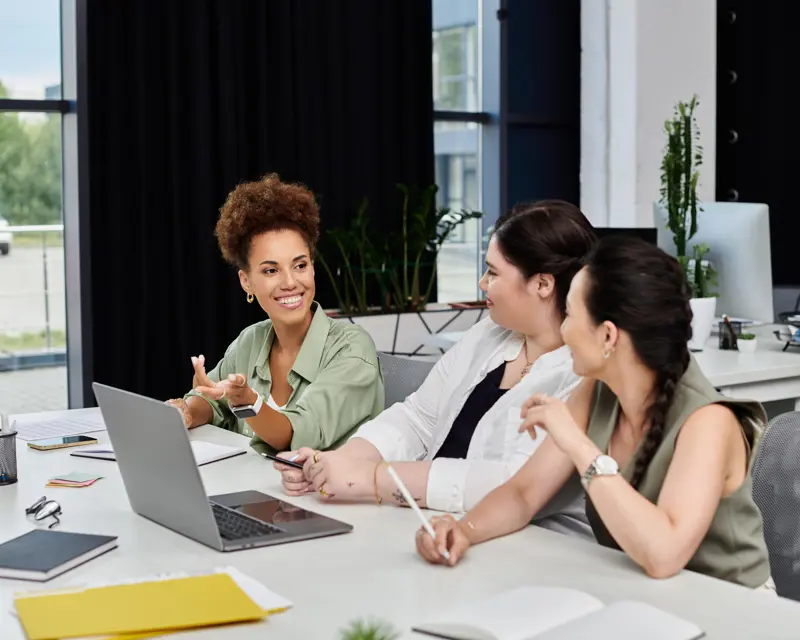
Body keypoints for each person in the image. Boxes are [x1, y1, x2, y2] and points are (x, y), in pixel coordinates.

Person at [416, 236, 774, 589]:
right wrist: (462, 531)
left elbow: (663, 555)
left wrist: (576, 443)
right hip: (648, 598)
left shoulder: (708, 421)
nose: (563, 330)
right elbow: (523, 494)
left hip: (732, 610)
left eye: (570, 314)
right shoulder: (598, 391)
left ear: (607, 336)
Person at [276, 201, 598, 535]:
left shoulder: (584, 376)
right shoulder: (489, 333)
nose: (482, 282)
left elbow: (510, 484)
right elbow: (418, 418)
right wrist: (339, 464)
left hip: (525, 543)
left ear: (542, 285)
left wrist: (372, 479)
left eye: (494, 272)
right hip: (427, 520)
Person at [166, 174, 384, 457]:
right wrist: (185, 412)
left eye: (300, 265)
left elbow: (296, 434)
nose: (290, 282)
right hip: (258, 492)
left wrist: (247, 402)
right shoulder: (251, 340)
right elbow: (212, 402)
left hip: (323, 498)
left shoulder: (352, 348)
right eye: (271, 270)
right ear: (246, 282)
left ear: (313, 268)